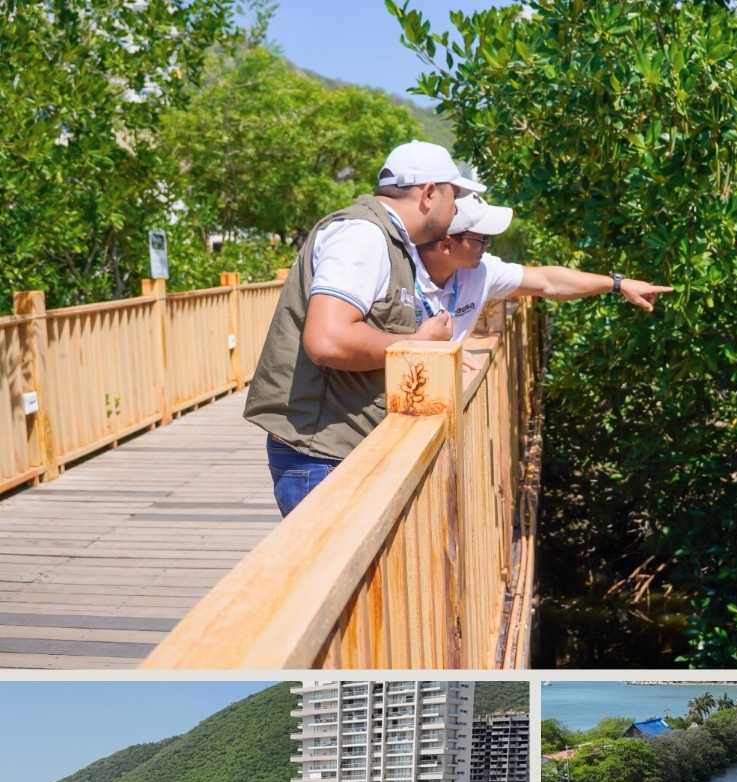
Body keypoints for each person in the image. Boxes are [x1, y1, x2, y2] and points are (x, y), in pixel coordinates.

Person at [244, 141, 484, 516]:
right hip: (321, 459)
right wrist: (418, 343)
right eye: (455, 196)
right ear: (430, 193)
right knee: (326, 573)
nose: (456, 209)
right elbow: (328, 339)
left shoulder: (390, 240)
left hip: (340, 452)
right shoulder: (363, 236)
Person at [413, 193, 673, 348]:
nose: (488, 245)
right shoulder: (401, 274)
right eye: (482, 239)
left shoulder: (481, 271)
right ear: (447, 244)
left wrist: (618, 284)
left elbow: (548, 281)